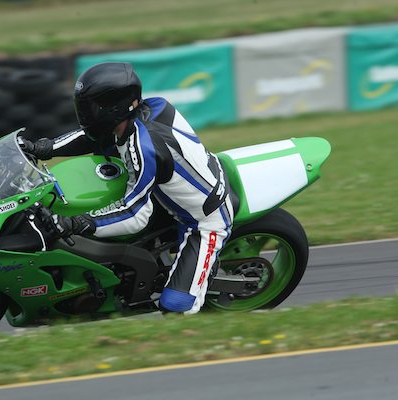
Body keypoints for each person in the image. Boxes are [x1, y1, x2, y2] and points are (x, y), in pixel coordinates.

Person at [20, 62, 238, 314]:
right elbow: (91, 138)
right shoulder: (148, 109)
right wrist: (43, 148)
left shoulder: (144, 149)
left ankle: (198, 282)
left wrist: (80, 223)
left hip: (204, 218)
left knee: (176, 308)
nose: (86, 113)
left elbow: (135, 216)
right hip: (169, 192)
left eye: (93, 107)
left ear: (115, 107)